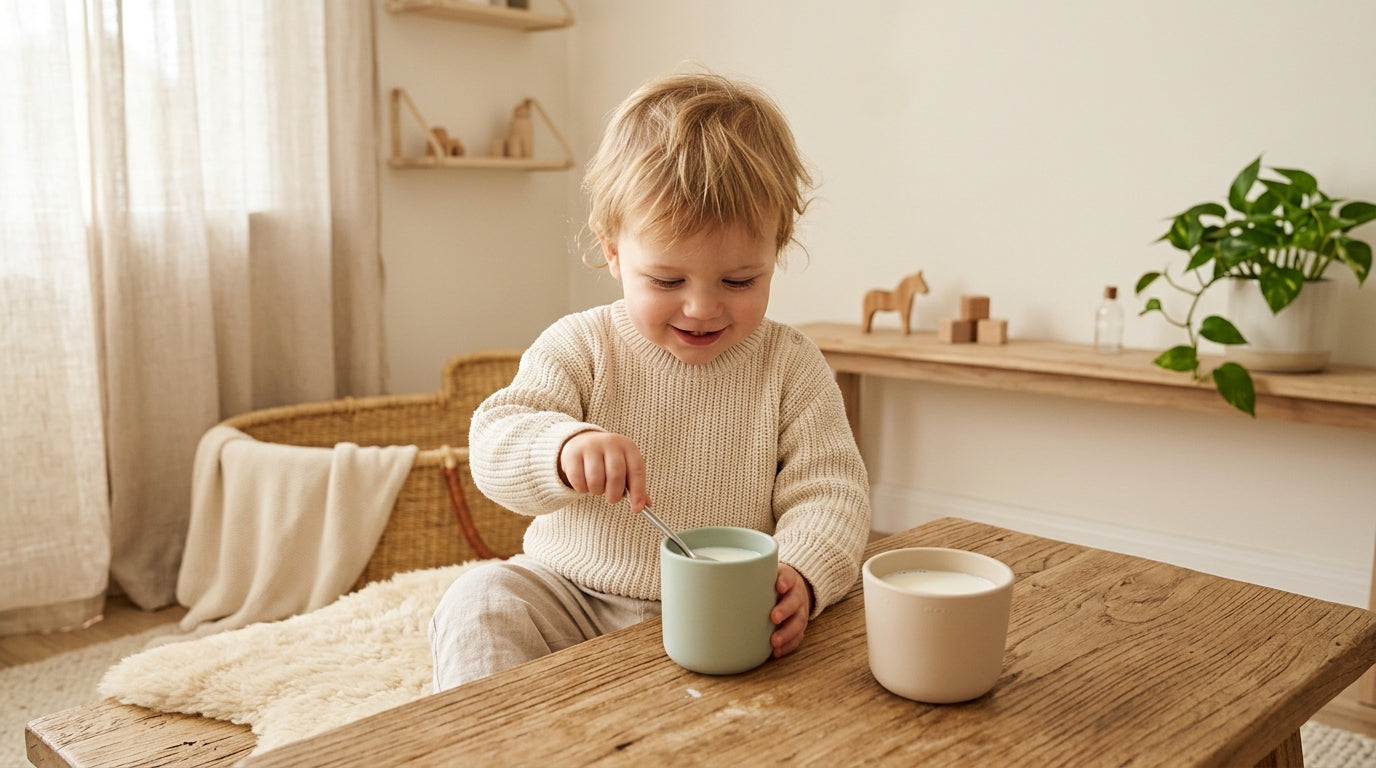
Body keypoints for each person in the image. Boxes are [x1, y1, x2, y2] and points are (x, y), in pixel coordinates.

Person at [429, 71, 872, 691]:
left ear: (777, 250)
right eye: (667, 281)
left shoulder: (791, 366)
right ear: (612, 253)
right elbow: (497, 438)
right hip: (574, 598)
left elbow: (831, 492)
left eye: (740, 281)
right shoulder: (581, 344)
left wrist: (801, 573)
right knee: (481, 597)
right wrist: (560, 447)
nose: (701, 308)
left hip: (734, 610)